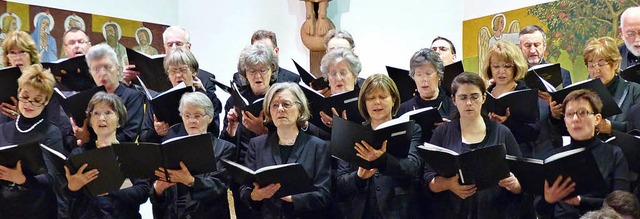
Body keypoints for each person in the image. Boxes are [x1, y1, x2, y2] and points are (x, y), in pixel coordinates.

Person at [423, 72, 523, 218]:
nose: (468, 103)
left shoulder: (502, 133)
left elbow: (523, 181)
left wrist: (514, 184)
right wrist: (448, 184)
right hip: (452, 211)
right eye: (463, 97)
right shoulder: (442, 133)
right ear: (454, 100)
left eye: (474, 97)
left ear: (483, 98)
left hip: (495, 211)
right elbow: (427, 178)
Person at [335, 74, 421, 218]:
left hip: (398, 210)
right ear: (364, 103)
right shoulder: (352, 133)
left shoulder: (411, 129)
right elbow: (340, 183)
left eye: (383, 97)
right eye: (370, 98)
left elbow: (412, 168)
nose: (377, 102)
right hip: (362, 211)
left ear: (393, 100)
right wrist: (359, 177)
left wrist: (381, 159)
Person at [239, 82, 330, 218]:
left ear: (299, 110)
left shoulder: (318, 146)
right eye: (274, 105)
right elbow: (244, 188)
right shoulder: (256, 145)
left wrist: (294, 198)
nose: (280, 109)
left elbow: (324, 194)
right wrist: (253, 195)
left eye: (286, 104)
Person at [535, 89, 630, 218]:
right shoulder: (554, 157)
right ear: (565, 121)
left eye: (582, 113)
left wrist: (581, 200)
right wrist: (548, 199)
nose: (575, 119)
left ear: (597, 119)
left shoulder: (613, 153)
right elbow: (540, 209)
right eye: (569, 114)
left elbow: (621, 203)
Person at [63, 92, 149, 218]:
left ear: (119, 119)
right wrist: (72, 187)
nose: (101, 118)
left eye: (108, 113)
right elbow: (67, 194)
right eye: (96, 113)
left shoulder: (132, 154)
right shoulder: (79, 153)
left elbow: (143, 191)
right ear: (90, 121)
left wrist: (112, 191)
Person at [150, 92, 235, 218]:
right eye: (187, 115)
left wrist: (190, 181)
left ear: (210, 117)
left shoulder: (224, 149)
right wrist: (158, 189)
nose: (192, 121)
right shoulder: (170, 148)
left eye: (197, 115)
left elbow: (218, 187)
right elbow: (161, 199)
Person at [220, 42, 281, 219]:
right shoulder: (235, 99)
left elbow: (293, 139)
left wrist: (262, 131)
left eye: (263, 70)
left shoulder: (280, 97)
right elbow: (226, 144)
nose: (258, 75)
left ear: (272, 70)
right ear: (244, 74)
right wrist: (231, 130)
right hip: (242, 175)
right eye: (252, 71)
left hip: (271, 171)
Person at [0, 64, 64, 218]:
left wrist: (22, 179)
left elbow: (53, 179)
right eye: (25, 96)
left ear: (46, 101)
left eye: (37, 100)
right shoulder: (2, 129)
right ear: (18, 93)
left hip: (37, 209)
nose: (29, 103)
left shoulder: (51, 132)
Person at [1, 30, 75, 151]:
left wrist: (23, 116)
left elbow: (55, 123)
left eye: (22, 52)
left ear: (31, 56)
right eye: (12, 53)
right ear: (7, 58)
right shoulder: (3, 83)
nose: (17, 58)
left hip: (40, 141)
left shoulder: (45, 84)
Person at [550, 37, 640, 136]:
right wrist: (556, 117)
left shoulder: (634, 91)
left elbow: (637, 127)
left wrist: (611, 127)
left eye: (601, 64)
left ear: (615, 64)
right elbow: (568, 132)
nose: (596, 70)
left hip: (624, 148)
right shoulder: (583, 94)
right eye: (591, 65)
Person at [139, 47, 219, 142]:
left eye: (183, 70)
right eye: (173, 71)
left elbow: (215, 133)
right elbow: (143, 138)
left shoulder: (207, 98)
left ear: (194, 72)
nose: (178, 75)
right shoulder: (157, 101)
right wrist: (156, 132)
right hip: (169, 152)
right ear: (168, 75)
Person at [71, 44, 143, 145]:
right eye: (96, 69)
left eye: (108, 67)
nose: (103, 73)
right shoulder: (87, 98)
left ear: (118, 69)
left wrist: (94, 141)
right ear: (91, 74)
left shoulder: (132, 96)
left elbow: (129, 135)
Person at [481, 41, 540, 157]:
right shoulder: (484, 94)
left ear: (516, 67)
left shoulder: (524, 92)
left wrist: (507, 123)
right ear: (490, 68)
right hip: (489, 154)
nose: (501, 71)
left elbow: (534, 132)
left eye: (507, 66)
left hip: (519, 154)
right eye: (496, 66)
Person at [397, 48, 457, 130]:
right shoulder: (402, 109)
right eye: (418, 74)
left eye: (428, 74)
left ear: (439, 75)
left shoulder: (453, 106)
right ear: (413, 77)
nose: (424, 79)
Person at [232, 30, 301, 89]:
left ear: (276, 51)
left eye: (267, 50)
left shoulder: (292, 79)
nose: (261, 55)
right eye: (257, 50)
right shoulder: (239, 78)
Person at [317, 48, 364, 127]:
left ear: (355, 76)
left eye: (343, 73)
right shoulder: (321, 105)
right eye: (333, 74)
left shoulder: (365, 102)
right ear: (328, 78)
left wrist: (342, 128)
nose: (338, 78)